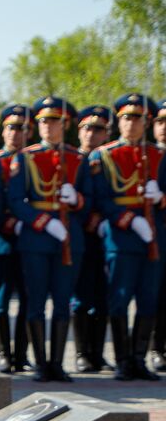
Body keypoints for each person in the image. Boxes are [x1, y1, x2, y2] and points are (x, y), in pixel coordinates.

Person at [7, 97, 88, 382]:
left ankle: (57, 362)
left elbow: (91, 201)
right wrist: (43, 222)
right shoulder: (25, 158)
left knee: (63, 301)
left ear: (63, 124)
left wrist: (77, 199)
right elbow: (16, 200)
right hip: (37, 238)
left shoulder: (78, 158)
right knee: (37, 301)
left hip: (68, 239)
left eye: (52, 121)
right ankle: (41, 362)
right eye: (42, 121)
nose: (47, 126)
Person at [89, 93, 163, 381]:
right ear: (118, 121)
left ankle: (138, 358)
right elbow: (101, 198)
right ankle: (122, 360)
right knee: (119, 299)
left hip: (153, 238)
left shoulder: (159, 155)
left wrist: (161, 197)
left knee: (148, 300)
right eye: (126, 118)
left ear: (146, 122)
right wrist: (128, 219)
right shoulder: (103, 156)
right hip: (121, 238)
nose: (132, 123)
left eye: (138, 118)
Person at [0, 105, 32, 373]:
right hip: (0, 238)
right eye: (10, 128)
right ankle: (4, 353)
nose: (15, 134)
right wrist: (4, 221)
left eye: (20, 129)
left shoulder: (33, 160)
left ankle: (21, 353)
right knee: (2, 299)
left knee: (28, 298)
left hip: (28, 235)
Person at [72, 105, 112, 372]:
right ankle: (81, 354)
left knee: (103, 297)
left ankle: (97, 353)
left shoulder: (109, 160)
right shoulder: (71, 159)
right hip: (77, 235)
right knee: (81, 296)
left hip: (105, 237)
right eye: (87, 128)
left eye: (98, 129)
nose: (91, 133)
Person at [151, 101, 166, 372]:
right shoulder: (148, 156)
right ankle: (157, 347)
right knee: (157, 294)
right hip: (156, 235)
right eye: (161, 122)